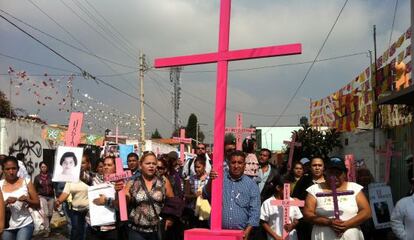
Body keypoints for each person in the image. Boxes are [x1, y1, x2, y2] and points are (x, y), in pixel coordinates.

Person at [303, 157, 371, 240]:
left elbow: (366, 212)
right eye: (331, 172)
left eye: (338, 173)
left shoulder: (354, 188)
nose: (334, 176)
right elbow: (307, 213)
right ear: (325, 173)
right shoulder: (315, 189)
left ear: (345, 174)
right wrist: (328, 222)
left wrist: (346, 224)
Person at [116, 151, 174, 240]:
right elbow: (123, 205)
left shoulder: (163, 181)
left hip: (156, 231)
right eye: (148, 163)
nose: (151, 166)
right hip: (136, 231)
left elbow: (172, 201)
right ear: (141, 165)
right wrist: (118, 192)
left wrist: (170, 218)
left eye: (154, 164)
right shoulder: (132, 182)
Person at [204, 150, 261, 239]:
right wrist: (211, 181)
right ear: (228, 164)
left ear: (244, 165)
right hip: (218, 233)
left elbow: (255, 211)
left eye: (240, 163)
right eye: (233, 162)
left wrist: (247, 231)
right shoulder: (219, 178)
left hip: (240, 234)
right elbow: (206, 194)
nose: (236, 166)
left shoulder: (251, 185)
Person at [1, 156, 40, 240]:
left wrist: (27, 199)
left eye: (14, 168)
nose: (11, 172)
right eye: (7, 169)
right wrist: (5, 202)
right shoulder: (0, 185)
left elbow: (37, 203)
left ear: (18, 169)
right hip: (7, 227)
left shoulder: (26, 181)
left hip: (25, 224)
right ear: (3, 170)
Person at [55, 154, 91, 240]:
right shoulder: (72, 178)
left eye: (83, 163)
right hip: (75, 210)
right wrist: (58, 201)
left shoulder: (92, 177)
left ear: (88, 164)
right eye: (79, 163)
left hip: (89, 211)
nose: (81, 165)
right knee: (75, 230)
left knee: (85, 231)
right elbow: (65, 192)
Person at [86, 156, 118, 239]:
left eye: (109, 165)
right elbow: (81, 176)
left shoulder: (120, 184)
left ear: (115, 168)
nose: (106, 167)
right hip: (93, 228)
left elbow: (121, 207)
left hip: (111, 229)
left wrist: (106, 201)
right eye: (104, 165)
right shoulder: (94, 180)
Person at [184, 156, 210, 228]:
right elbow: (186, 195)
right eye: (195, 167)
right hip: (193, 210)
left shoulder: (209, 179)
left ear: (204, 167)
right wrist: (195, 196)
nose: (196, 169)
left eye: (198, 167)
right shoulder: (191, 179)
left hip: (205, 211)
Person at [33, 162, 54, 237]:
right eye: (42, 167)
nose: (44, 168)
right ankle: (47, 230)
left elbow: (54, 186)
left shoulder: (51, 176)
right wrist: (36, 197)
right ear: (40, 168)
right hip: (42, 196)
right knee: (46, 213)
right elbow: (34, 188)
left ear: (47, 167)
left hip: (51, 197)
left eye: (45, 167)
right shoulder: (37, 177)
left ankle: (47, 225)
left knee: (50, 213)